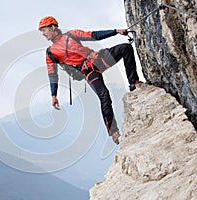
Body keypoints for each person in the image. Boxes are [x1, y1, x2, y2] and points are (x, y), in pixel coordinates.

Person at [38, 16, 141, 144]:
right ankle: (113, 132)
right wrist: (54, 95)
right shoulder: (51, 53)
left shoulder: (71, 35)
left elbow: (93, 35)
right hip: (89, 72)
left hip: (98, 60)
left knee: (125, 48)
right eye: (41, 31)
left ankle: (133, 83)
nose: (43, 34)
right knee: (104, 95)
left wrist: (116, 31)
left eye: (44, 30)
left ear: (53, 27)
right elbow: (52, 74)